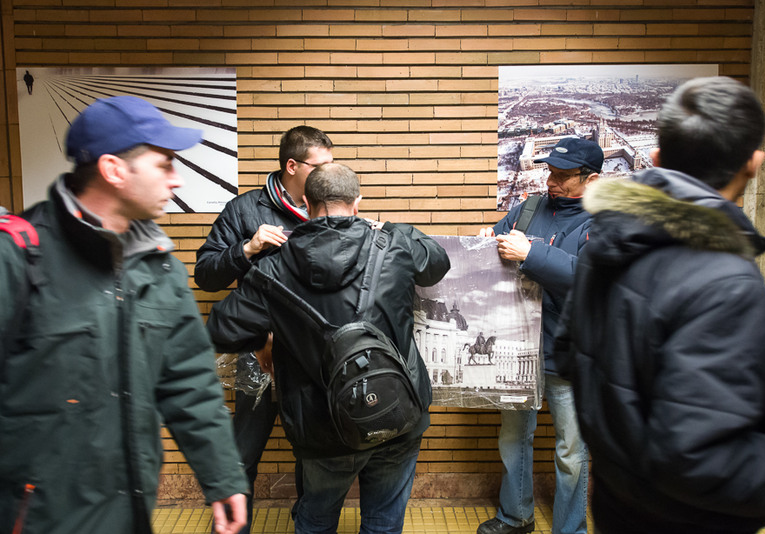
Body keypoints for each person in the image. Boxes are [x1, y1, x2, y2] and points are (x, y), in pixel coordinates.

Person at [554, 76, 765, 533]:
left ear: (656, 158)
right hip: (689, 521)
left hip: (616, 504)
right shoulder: (725, 280)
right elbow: (698, 458)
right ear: (754, 162)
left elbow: (569, 354)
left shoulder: (606, 238)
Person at [0, 96, 249, 534]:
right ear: (114, 169)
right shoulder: (20, 255)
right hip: (38, 517)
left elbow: (189, 381)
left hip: (128, 511)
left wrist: (222, 476)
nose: (177, 179)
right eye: (164, 164)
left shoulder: (160, 265)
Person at [206, 162, 450, 533]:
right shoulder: (395, 245)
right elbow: (437, 263)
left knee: (317, 519)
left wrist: (265, 338)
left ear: (306, 203)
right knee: (384, 523)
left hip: (322, 425)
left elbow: (220, 329)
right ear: (357, 203)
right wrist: (393, 228)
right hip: (398, 412)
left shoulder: (273, 267)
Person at [195, 125, 333, 533]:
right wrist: (248, 248)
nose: (329, 173)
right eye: (320, 166)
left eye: (332, 165)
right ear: (292, 166)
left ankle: (308, 525)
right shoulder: (244, 210)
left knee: (313, 452)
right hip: (258, 352)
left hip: (312, 354)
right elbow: (205, 274)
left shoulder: (331, 205)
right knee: (244, 450)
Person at [477, 137, 604, 534]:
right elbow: (498, 247)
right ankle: (515, 517)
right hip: (518, 349)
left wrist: (530, 253)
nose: (552, 182)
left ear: (591, 179)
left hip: (570, 353)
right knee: (513, 438)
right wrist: (486, 243)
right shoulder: (529, 209)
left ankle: (570, 529)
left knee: (572, 451)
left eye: (563, 176)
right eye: (551, 172)